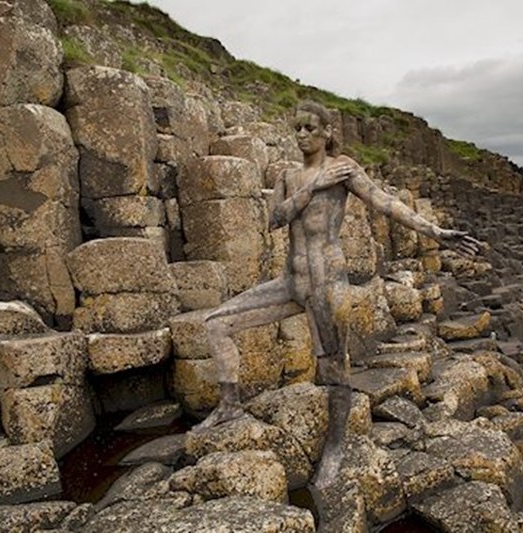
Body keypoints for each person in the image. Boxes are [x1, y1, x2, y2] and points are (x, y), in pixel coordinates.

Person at [198, 100, 481, 488]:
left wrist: (435, 231)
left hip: (328, 284)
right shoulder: (289, 176)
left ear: (328, 132)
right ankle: (229, 404)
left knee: (334, 374)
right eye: (297, 128)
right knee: (216, 323)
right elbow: (275, 219)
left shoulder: (344, 168)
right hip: (291, 282)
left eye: (310, 128)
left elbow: (386, 203)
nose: (302, 135)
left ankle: (335, 448)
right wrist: (313, 186)